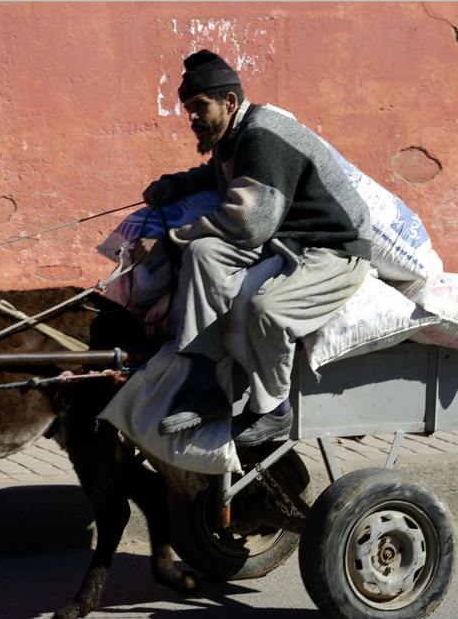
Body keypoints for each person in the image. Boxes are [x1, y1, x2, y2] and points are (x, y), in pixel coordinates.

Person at [135, 49, 372, 445]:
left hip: (333, 248)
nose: (192, 117)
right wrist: (177, 184)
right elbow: (215, 172)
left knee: (268, 310)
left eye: (199, 106)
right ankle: (205, 383)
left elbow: (248, 224)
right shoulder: (232, 134)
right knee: (203, 253)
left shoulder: (262, 135)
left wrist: (166, 242)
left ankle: (273, 409)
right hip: (284, 237)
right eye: (187, 108)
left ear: (229, 101)